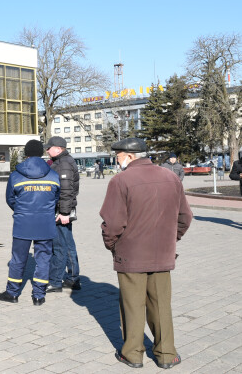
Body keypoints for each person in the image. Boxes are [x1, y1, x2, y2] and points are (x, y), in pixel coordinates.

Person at [100, 137, 192, 369]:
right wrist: (172, 240)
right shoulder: (171, 177)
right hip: (163, 253)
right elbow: (185, 217)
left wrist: (113, 245)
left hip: (130, 254)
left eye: (118, 156)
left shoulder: (120, 181)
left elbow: (112, 223)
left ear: (130, 156)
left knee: (132, 305)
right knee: (161, 304)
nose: (117, 160)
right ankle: (166, 354)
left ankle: (132, 353)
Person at [0, 140, 60, 306]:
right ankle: (38, 296)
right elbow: (56, 199)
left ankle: (12, 293)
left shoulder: (15, 176)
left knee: (18, 259)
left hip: (23, 223)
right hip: (46, 223)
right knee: (44, 259)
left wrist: (21, 211)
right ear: (42, 153)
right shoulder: (53, 175)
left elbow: (10, 199)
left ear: (26, 153)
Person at [44, 136, 81, 293]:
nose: (47, 150)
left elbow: (66, 190)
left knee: (59, 246)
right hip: (63, 210)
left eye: (49, 147)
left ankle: (55, 281)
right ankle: (73, 278)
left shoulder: (63, 163)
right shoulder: (62, 161)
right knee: (67, 244)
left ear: (58, 148)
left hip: (61, 211)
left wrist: (64, 212)